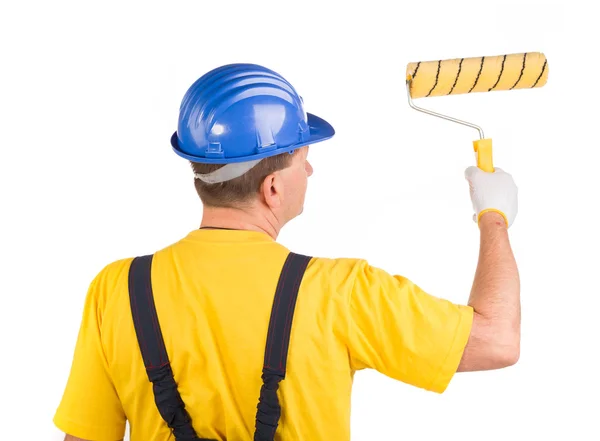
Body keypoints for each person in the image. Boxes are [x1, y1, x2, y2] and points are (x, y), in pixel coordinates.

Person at [54, 63, 520, 441]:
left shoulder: (117, 290)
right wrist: (492, 216)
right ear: (272, 187)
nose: (311, 169)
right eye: (302, 157)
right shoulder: (341, 293)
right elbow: (497, 340)